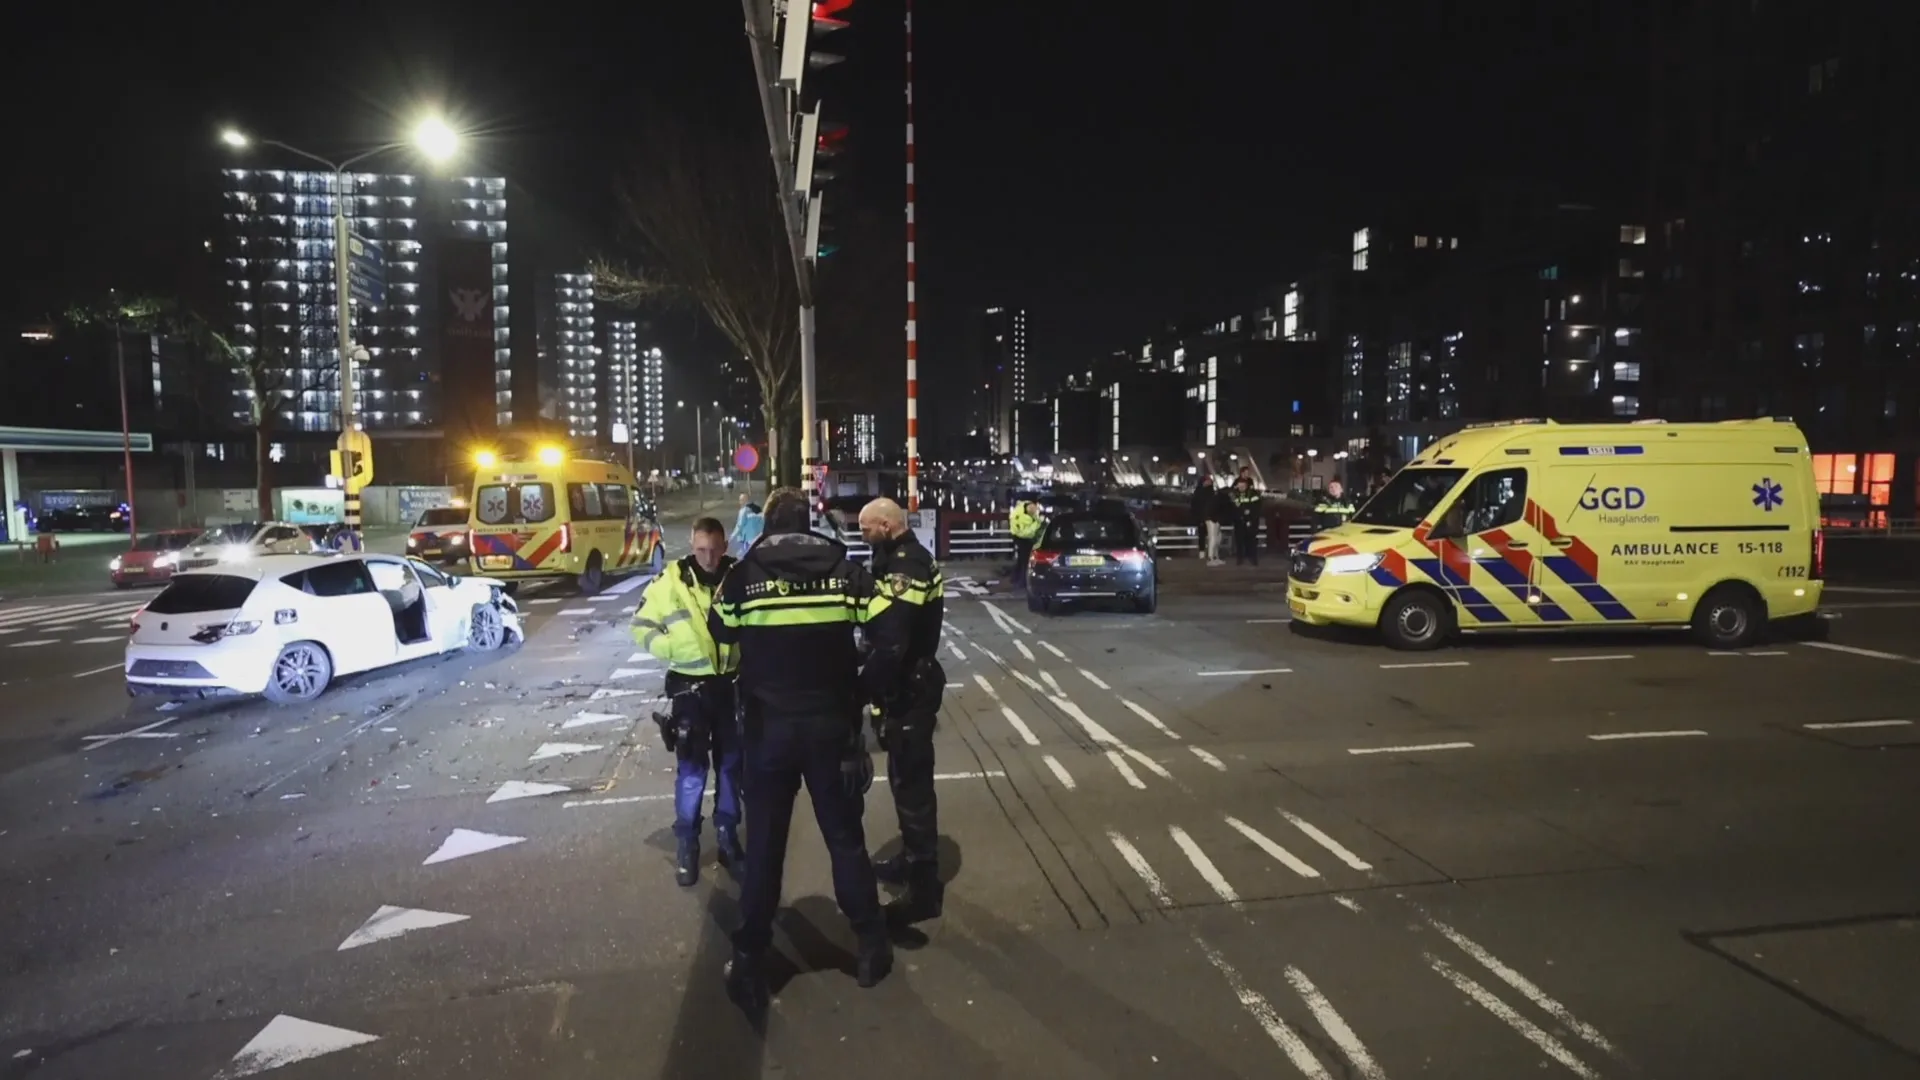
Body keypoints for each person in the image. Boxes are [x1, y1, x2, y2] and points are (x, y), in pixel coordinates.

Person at [709, 487, 890, 1014]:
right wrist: (859, 691)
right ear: (808, 519)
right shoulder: (843, 566)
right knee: (845, 839)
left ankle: (749, 961)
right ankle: (871, 947)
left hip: (768, 730)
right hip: (831, 726)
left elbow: (720, 628)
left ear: (765, 525)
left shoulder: (744, 574)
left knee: (764, 845)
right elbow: (885, 630)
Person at [633, 517, 743, 887]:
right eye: (701, 550)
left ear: (725, 546)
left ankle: (728, 838)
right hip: (689, 689)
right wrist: (673, 650)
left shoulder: (741, 576)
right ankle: (688, 845)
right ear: (692, 545)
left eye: (714, 550)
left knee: (731, 768)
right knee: (693, 772)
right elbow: (641, 625)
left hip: (732, 687)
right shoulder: (671, 581)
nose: (708, 557)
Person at [857, 497, 946, 923]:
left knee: (912, 789)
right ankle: (912, 860)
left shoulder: (905, 566)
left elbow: (891, 641)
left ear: (887, 526)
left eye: (866, 529)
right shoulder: (897, 557)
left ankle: (924, 892)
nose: (862, 536)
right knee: (902, 779)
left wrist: (860, 689)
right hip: (907, 687)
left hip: (911, 689)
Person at [1007, 498, 1043, 586]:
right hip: (1024, 539)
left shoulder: (1021, 507)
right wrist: (1039, 522)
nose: (1036, 510)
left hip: (1017, 536)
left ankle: (1015, 578)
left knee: (1021, 559)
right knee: (1025, 561)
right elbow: (1029, 532)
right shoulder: (1029, 515)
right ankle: (1022, 581)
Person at [1230, 477, 1263, 566]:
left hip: (1251, 522)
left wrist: (1250, 515)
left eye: (1243, 486)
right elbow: (1233, 508)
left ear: (1246, 485)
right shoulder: (1235, 495)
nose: (1241, 488)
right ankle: (1240, 559)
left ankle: (1253, 559)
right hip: (1239, 522)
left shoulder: (1253, 494)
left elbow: (1257, 507)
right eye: (1239, 486)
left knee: (1251, 541)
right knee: (1239, 541)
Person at [1188, 477, 1217, 562]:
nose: (1208, 483)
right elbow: (1195, 506)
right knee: (1202, 535)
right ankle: (1203, 552)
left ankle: (1210, 553)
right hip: (1201, 516)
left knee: (1212, 536)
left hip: (1210, 516)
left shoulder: (1212, 492)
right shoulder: (1199, 493)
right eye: (1206, 482)